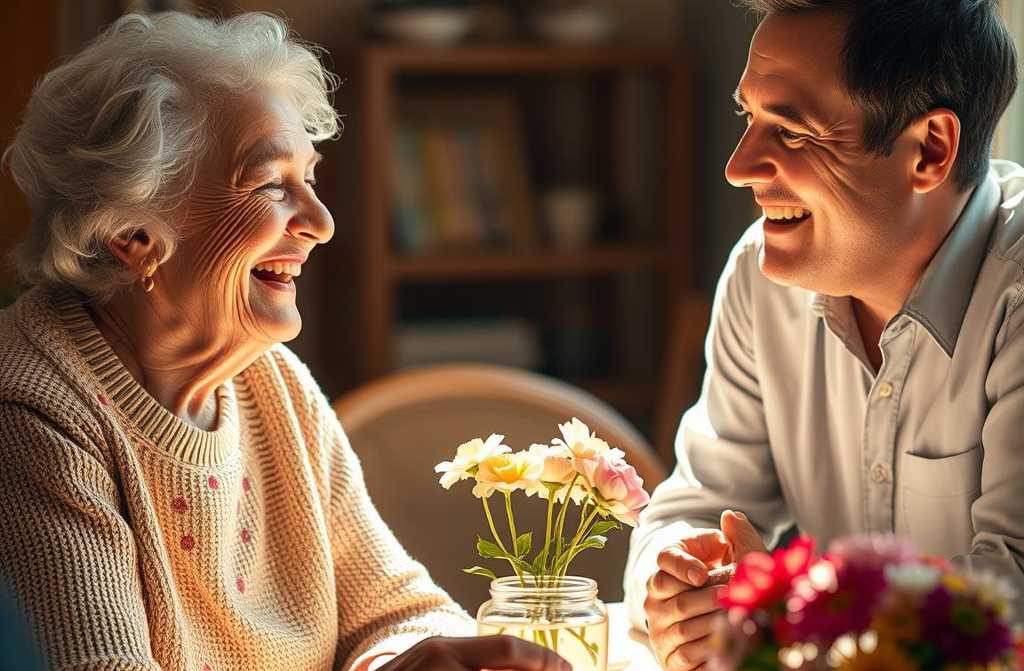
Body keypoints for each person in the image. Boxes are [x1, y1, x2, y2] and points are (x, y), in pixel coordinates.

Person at [0, 11, 569, 671]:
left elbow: (400, 609)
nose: (321, 223)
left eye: (312, 179)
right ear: (133, 231)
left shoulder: (273, 383)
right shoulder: (33, 415)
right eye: (271, 185)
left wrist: (403, 660)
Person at [623, 0, 1022, 669]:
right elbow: (697, 504)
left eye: (794, 132)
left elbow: (1011, 599)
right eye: (748, 118)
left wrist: (790, 602)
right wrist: (675, 588)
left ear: (929, 149)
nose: (740, 166)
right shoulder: (760, 276)